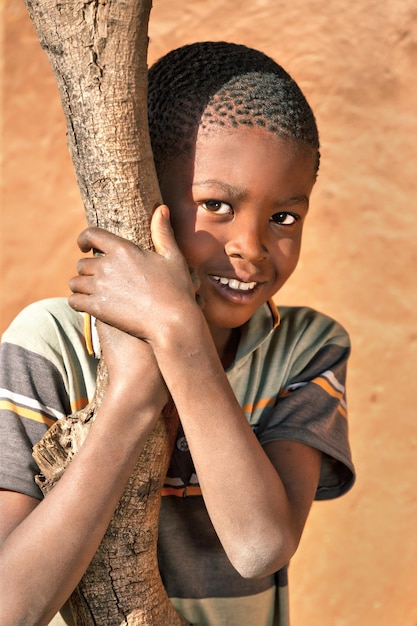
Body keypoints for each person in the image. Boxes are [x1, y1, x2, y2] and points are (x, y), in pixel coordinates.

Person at [0, 41, 355, 626]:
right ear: (150, 199)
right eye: (216, 205)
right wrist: (133, 396)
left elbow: (259, 547)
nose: (251, 246)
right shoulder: (50, 346)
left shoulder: (306, 349)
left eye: (284, 217)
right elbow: (12, 608)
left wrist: (178, 336)